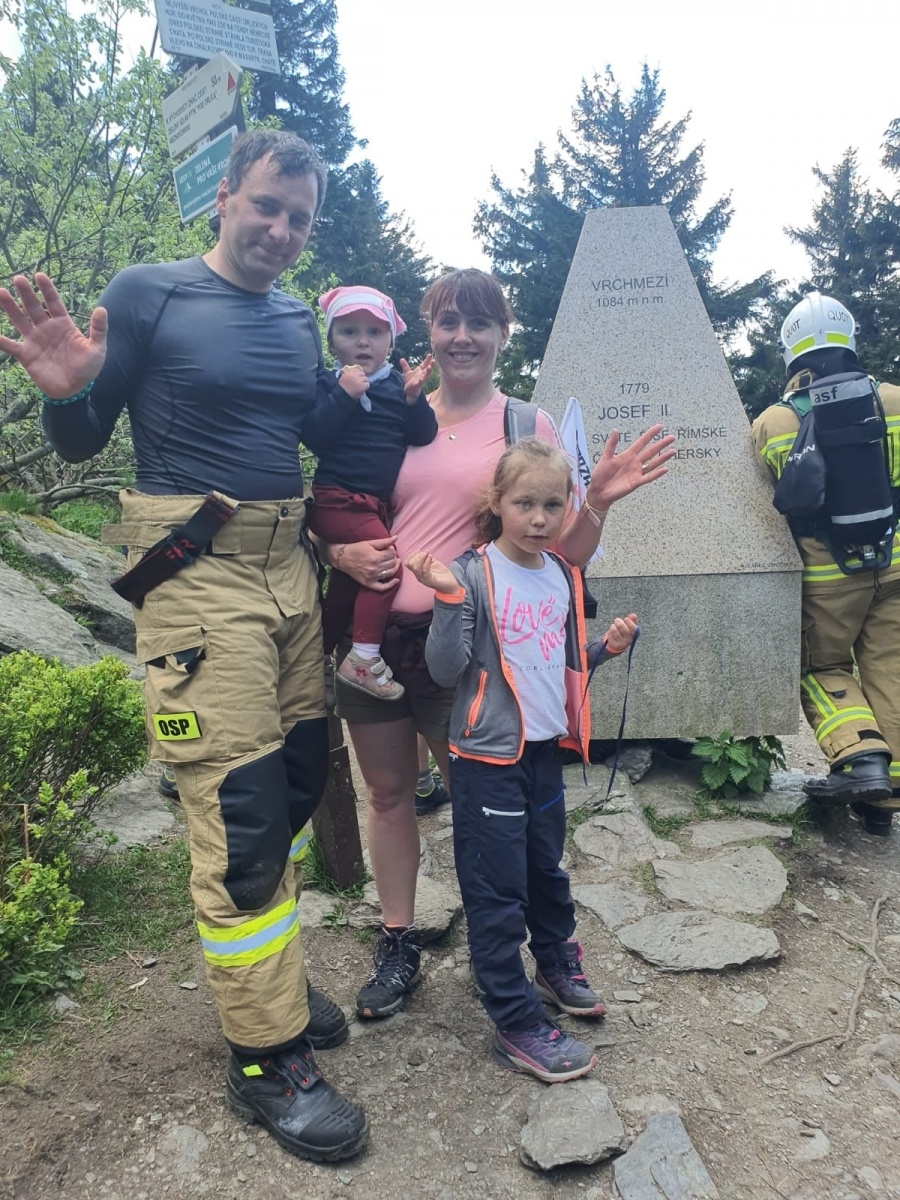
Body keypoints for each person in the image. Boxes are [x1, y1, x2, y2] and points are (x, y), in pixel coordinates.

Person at [0, 129, 368, 1161]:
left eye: (299, 218)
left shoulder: (298, 317)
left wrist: (378, 403)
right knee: (240, 808)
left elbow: (311, 436)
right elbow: (79, 436)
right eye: (265, 207)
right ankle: (266, 1055)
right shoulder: (151, 291)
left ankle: (274, 978)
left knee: (293, 786)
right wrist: (69, 384)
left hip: (289, 568)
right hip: (195, 579)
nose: (282, 231)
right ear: (222, 197)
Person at [319, 268, 675, 1021]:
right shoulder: (389, 404)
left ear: (503, 334)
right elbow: (334, 497)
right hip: (373, 639)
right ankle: (398, 939)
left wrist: (599, 502)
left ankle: (531, 954)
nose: (462, 337)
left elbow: (563, 553)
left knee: (491, 809)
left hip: (476, 647)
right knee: (385, 794)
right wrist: (332, 548)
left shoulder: (527, 427)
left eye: (479, 323)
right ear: (427, 331)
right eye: (448, 322)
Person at [406, 437, 637, 1080]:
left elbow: (559, 663)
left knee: (546, 868)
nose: (539, 518)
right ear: (497, 503)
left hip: (544, 753)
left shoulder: (562, 574)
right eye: (524, 503)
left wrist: (607, 651)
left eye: (552, 505)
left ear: (567, 508)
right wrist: (448, 600)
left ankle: (556, 965)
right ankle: (515, 1019)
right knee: (495, 890)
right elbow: (445, 668)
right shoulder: (472, 573)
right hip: (486, 758)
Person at [751, 292, 900, 836]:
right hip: (895, 562)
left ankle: (860, 761)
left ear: (792, 354)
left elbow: (766, 507)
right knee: (890, 667)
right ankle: (885, 799)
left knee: (821, 667)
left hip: (828, 575)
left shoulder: (773, 422)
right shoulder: (894, 400)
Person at [302, 285, 437, 700]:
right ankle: (363, 657)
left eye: (375, 332)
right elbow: (315, 437)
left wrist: (414, 400)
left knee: (346, 586)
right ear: (331, 341)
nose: (363, 341)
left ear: (390, 341)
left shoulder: (399, 386)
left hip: (371, 505)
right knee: (386, 567)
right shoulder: (328, 384)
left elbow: (424, 434)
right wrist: (344, 395)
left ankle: (309, 663)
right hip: (336, 499)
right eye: (349, 331)